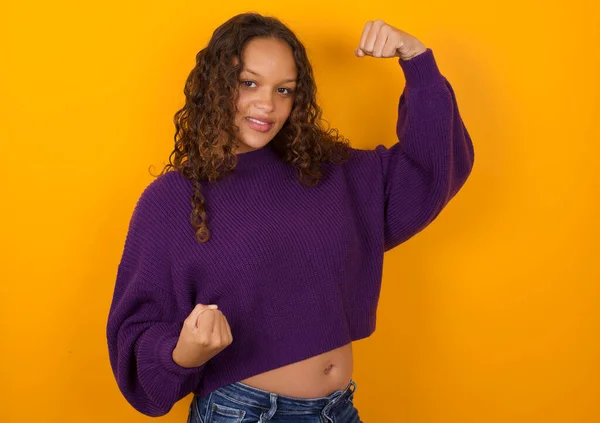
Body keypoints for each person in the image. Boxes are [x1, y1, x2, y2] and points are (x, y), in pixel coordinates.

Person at [106, 12, 475, 423]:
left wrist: (417, 59)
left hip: (338, 411)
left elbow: (433, 171)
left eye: (284, 90)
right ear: (215, 86)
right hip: (242, 413)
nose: (267, 104)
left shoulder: (326, 171)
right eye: (249, 83)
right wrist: (181, 352)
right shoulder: (173, 200)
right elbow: (135, 339)